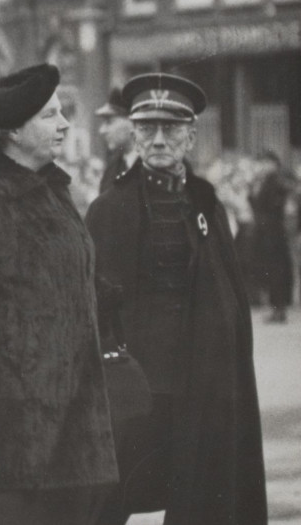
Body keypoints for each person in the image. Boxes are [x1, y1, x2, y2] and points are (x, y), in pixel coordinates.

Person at [0, 64, 118, 524]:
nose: (65, 124)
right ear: (12, 131)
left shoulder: (53, 191)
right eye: (50, 115)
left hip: (72, 425)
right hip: (3, 439)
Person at [88, 73, 267, 525]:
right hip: (139, 382)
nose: (159, 140)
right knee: (109, 494)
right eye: (147, 129)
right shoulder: (110, 207)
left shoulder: (206, 201)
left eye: (171, 130)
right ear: (134, 134)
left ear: (190, 136)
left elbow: (227, 294)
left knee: (205, 493)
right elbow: (94, 302)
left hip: (200, 377)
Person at [250, 150, 296, 323]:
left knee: (277, 271)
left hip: (273, 234)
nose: (260, 166)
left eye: (264, 163)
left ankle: (279, 309)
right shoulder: (263, 181)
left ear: (272, 164)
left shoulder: (276, 182)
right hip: (266, 234)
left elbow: (275, 207)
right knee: (271, 271)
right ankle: (276, 308)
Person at [96, 88, 137, 195]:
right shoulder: (111, 169)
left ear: (132, 123)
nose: (102, 130)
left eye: (109, 122)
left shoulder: (152, 165)